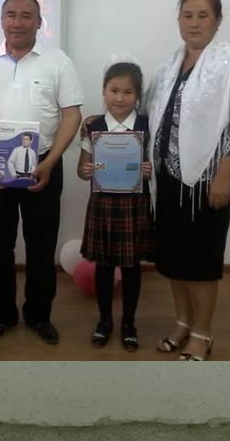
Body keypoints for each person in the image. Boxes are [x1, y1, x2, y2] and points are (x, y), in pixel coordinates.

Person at [0, 0, 83, 345]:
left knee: (41, 246)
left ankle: (39, 316)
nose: (18, 22)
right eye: (11, 14)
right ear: (2, 20)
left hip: (44, 164)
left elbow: (72, 114)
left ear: (39, 22)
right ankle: (3, 316)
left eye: (26, 15)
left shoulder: (58, 61)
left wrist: (51, 161)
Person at [146, 0, 230, 360]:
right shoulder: (170, 64)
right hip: (169, 178)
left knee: (201, 260)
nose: (194, 23)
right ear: (178, 20)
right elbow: (150, 113)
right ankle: (182, 321)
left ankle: (202, 333)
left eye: (203, 15)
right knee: (174, 257)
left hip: (207, 181)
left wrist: (224, 177)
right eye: (187, 15)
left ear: (218, 20)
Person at [77, 60, 154, 351]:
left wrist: (149, 170)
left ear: (138, 96)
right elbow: (81, 169)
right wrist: (86, 171)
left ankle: (129, 324)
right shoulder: (92, 126)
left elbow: (156, 166)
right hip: (103, 204)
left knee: (132, 267)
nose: (120, 98)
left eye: (128, 92)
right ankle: (105, 321)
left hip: (134, 204)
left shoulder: (147, 125)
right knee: (104, 266)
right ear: (104, 91)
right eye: (114, 90)